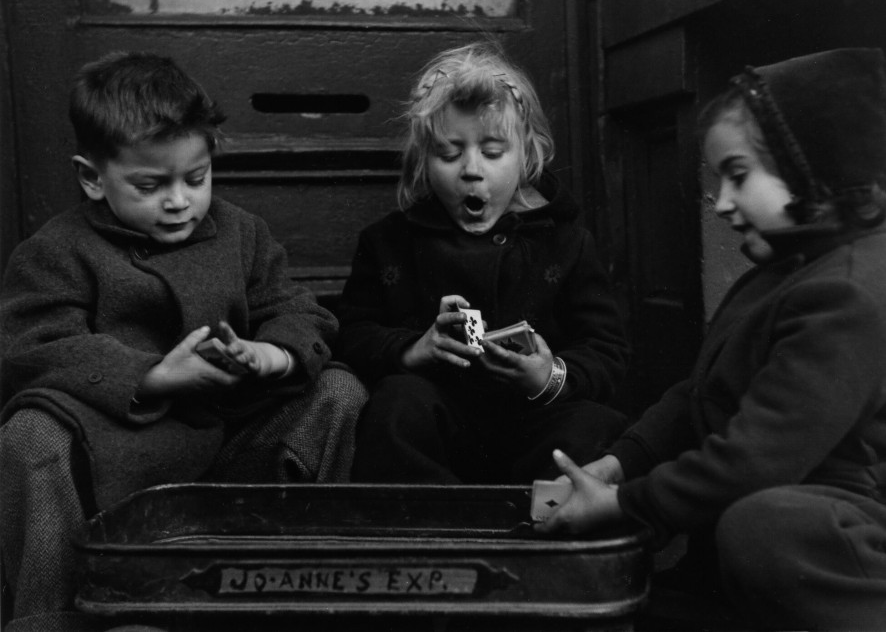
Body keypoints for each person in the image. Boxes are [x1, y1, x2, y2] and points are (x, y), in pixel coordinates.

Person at [0, 52, 367, 630]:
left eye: (196, 178)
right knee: (30, 433)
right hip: (117, 453)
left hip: (232, 444)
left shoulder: (241, 231)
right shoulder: (56, 251)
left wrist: (271, 354)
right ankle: (49, 618)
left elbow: (296, 309)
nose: (179, 201)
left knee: (338, 390)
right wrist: (152, 376)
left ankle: (298, 588)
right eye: (151, 185)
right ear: (92, 177)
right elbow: (36, 344)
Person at [537, 48, 886, 630]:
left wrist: (625, 504)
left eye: (738, 176)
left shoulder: (850, 292)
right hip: (782, 515)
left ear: (813, 170)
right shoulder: (784, 270)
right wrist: (620, 464)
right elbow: (698, 393)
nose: (723, 204)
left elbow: (757, 458)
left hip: (857, 532)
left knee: (764, 527)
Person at [338, 42, 630, 484]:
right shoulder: (389, 243)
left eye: (493, 153)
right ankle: (430, 537)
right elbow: (353, 334)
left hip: (531, 422)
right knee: (396, 405)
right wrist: (412, 349)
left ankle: (532, 537)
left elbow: (606, 350)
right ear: (422, 161)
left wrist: (548, 377)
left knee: (594, 426)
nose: (471, 170)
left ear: (527, 155)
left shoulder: (566, 243)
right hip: (439, 424)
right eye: (449, 154)